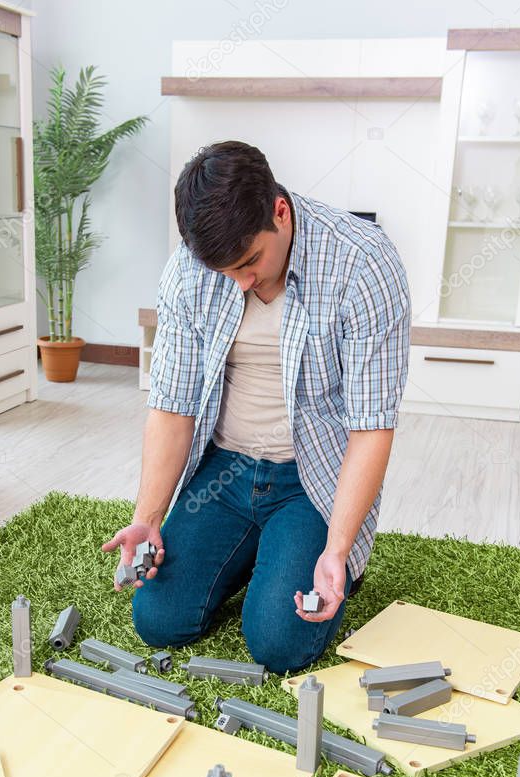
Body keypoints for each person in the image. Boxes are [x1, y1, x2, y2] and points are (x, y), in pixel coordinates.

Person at [102, 140, 410, 675]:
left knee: (278, 643)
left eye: (249, 263)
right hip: (226, 469)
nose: (240, 282)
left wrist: (337, 550)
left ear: (280, 212)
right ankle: (258, 553)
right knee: (159, 620)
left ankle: (301, 551)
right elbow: (172, 405)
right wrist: (147, 519)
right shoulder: (191, 269)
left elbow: (371, 428)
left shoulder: (363, 264)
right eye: (225, 271)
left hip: (314, 477)